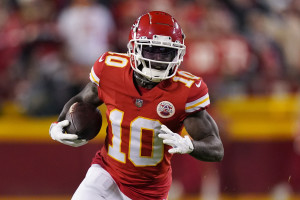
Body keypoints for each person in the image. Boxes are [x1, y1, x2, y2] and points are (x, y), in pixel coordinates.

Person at [49, 11, 224, 200]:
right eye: (151, 50)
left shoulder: (187, 91)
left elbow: (216, 148)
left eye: (166, 52)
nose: (158, 59)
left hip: (149, 192)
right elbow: (83, 100)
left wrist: (190, 145)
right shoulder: (110, 70)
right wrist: (59, 125)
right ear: (134, 47)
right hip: (106, 173)